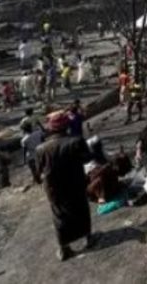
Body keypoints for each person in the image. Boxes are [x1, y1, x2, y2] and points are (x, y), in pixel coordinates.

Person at [36, 112, 94, 261]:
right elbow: (87, 158)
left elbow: (39, 170)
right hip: (75, 183)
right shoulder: (76, 141)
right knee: (81, 209)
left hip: (54, 188)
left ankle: (64, 248)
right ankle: (88, 238)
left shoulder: (41, 149)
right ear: (66, 126)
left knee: (59, 216)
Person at [20, 117, 43, 184]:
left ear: (23, 130)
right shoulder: (38, 133)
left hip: (31, 156)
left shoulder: (24, 140)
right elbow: (43, 140)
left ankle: (37, 181)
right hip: (40, 152)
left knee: (33, 169)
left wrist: (24, 160)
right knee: (41, 167)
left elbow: (25, 150)